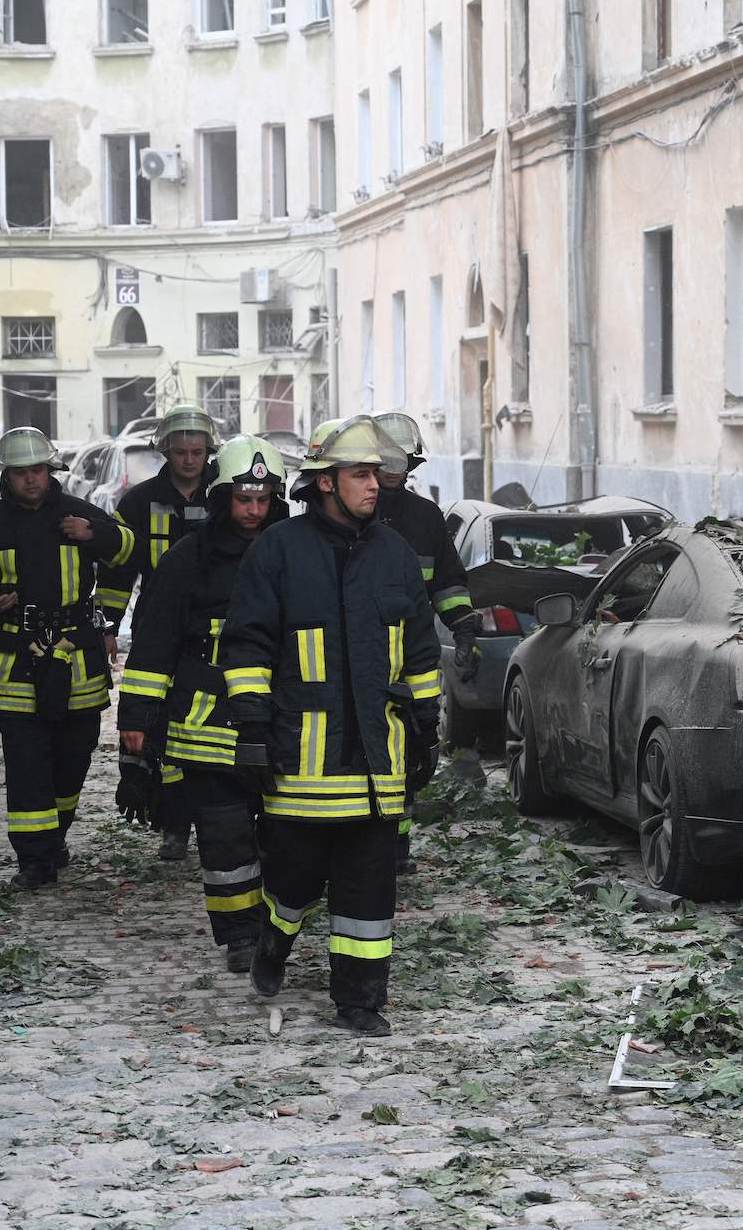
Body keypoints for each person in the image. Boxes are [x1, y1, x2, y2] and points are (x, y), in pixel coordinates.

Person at [221, 417, 441, 1036]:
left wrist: (427, 721)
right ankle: (274, 938)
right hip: (301, 758)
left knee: (370, 886)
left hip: (377, 758)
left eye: (376, 473)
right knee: (293, 877)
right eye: (361, 474)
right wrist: (255, 732)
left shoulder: (394, 554)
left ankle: (360, 999)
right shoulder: (278, 551)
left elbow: (419, 649)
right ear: (324, 482)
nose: (375, 485)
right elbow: (246, 648)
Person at [0, 428, 135, 890]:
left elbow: (129, 551)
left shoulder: (80, 515)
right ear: (7, 476)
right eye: (22, 473)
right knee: (27, 761)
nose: (31, 480)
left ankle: (56, 835)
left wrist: (97, 536)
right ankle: (35, 860)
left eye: (38, 471)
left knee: (74, 754)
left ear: (51, 472)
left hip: (77, 654)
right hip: (13, 658)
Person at [116, 436, 288, 973]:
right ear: (220, 498)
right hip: (204, 719)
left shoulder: (294, 552)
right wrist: (137, 722)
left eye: (263, 500)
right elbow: (153, 643)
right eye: (243, 499)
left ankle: (278, 925)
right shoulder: (188, 557)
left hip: (281, 714)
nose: (253, 511)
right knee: (223, 833)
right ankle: (240, 934)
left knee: (282, 832)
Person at [96, 402, 218, 862]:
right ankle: (173, 825)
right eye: (181, 451)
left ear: (209, 452)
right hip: (159, 630)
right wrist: (107, 625)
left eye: (197, 452)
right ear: (165, 450)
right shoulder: (138, 501)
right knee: (161, 728)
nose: (189, 460)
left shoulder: (224, 496)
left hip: (216, 633)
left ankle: (219, 822)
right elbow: (117, 572)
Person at [369, 411, 478, 873]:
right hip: (355, 652)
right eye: (385, 462)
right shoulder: (354, 508)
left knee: (414, 745)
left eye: (402, 463)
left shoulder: (425, 517)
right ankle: (358, 845)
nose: (393, 472)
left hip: (412, 653)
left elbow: (448, 584)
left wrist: (465, 632)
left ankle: (397, 848)